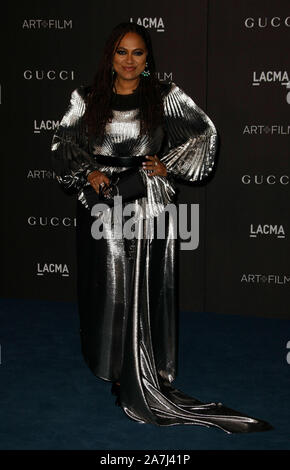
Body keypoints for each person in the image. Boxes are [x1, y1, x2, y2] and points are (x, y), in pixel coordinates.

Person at [50, 21, 272, 433]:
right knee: (110, 285)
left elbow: (205, 133)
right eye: (121, 52)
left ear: (147, 58)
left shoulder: (164, 96)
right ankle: (113, 363)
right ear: (110, 57)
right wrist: (88, 173)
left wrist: (166, 165)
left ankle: (141, 366)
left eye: (137, 53)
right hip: (103, 206)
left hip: (148, 201)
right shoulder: (86, 97)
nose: (130, 61)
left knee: (145, 285)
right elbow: (65, 142)